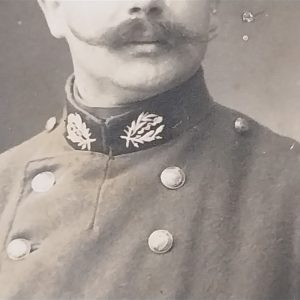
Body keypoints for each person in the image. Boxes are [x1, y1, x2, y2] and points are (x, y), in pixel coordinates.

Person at [0, 0, 299, 299]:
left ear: (213, 8)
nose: (144, 3)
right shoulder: (5, 182)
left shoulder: (288, 185)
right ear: (54, 9)